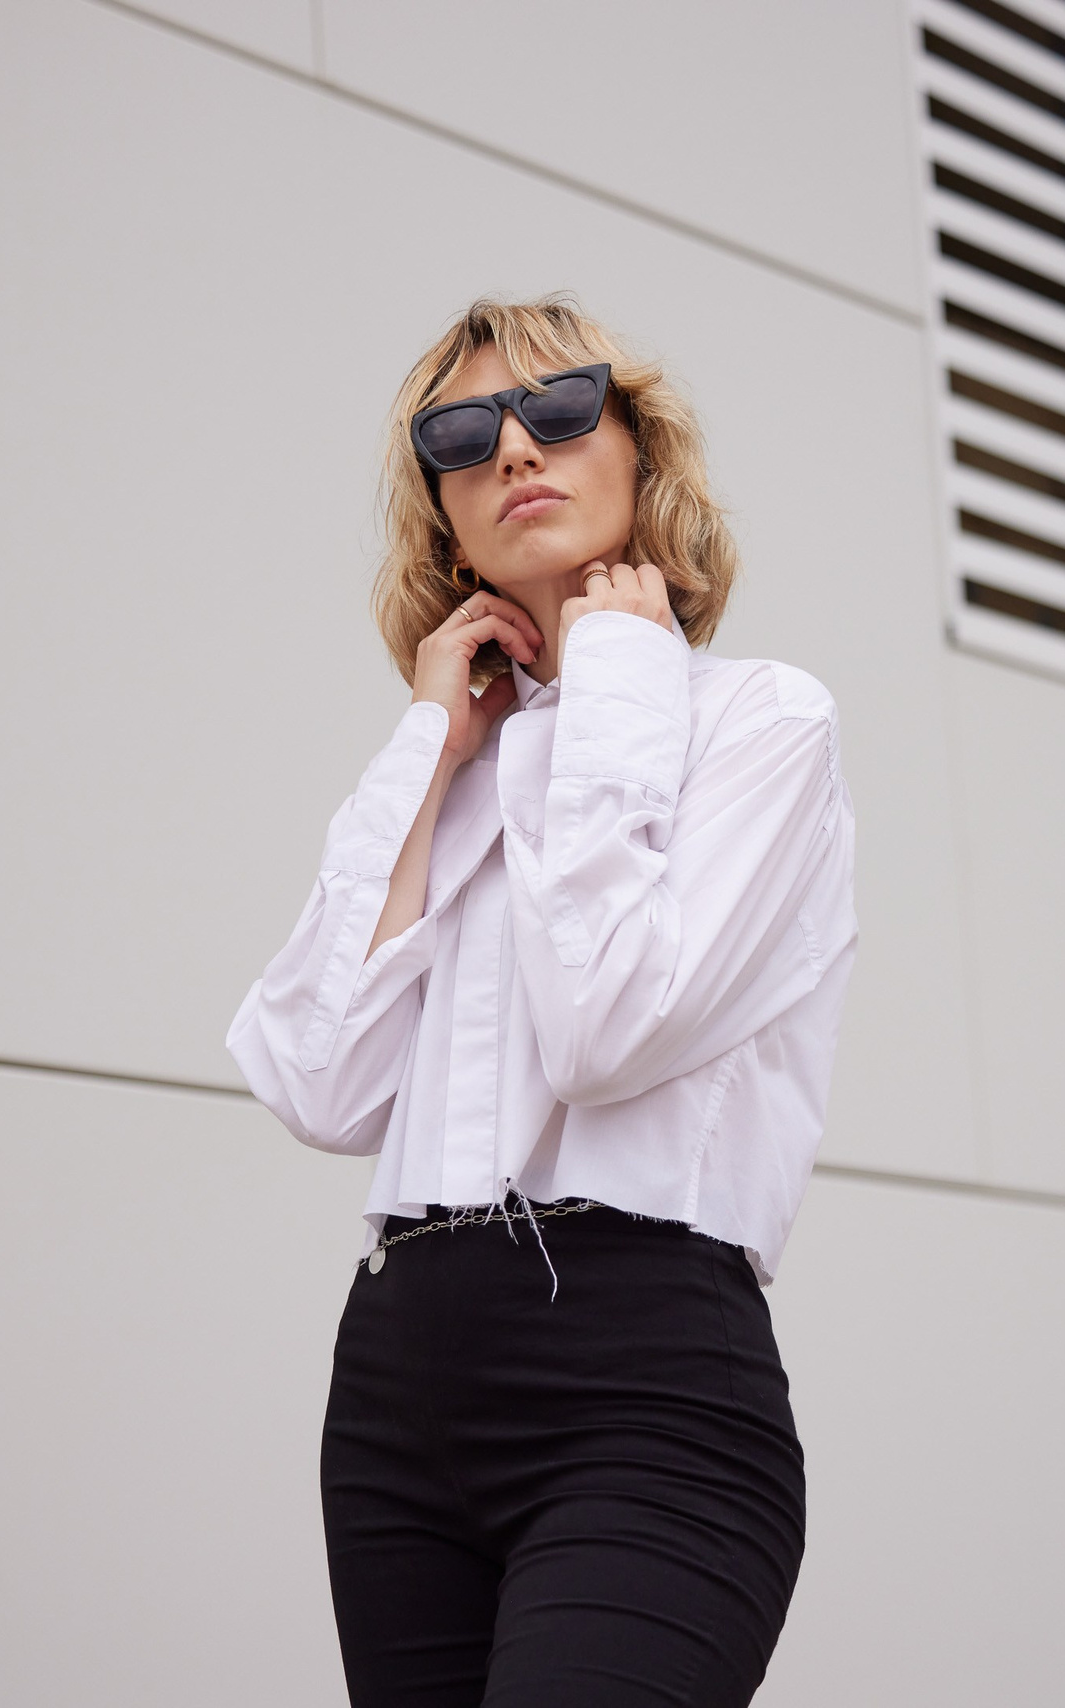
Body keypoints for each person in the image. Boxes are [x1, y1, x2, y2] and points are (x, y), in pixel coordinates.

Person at [227, 295, 857, 1707]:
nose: (515, 445)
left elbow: (607, 1028)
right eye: (462, 434)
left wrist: (623, 676)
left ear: (641, 458)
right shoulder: (452, 777)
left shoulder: (762, 724)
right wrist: (430, 746)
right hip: (398, 1393)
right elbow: (314, 1078)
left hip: (644, 1380)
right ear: (446, 521)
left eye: (562, 409)